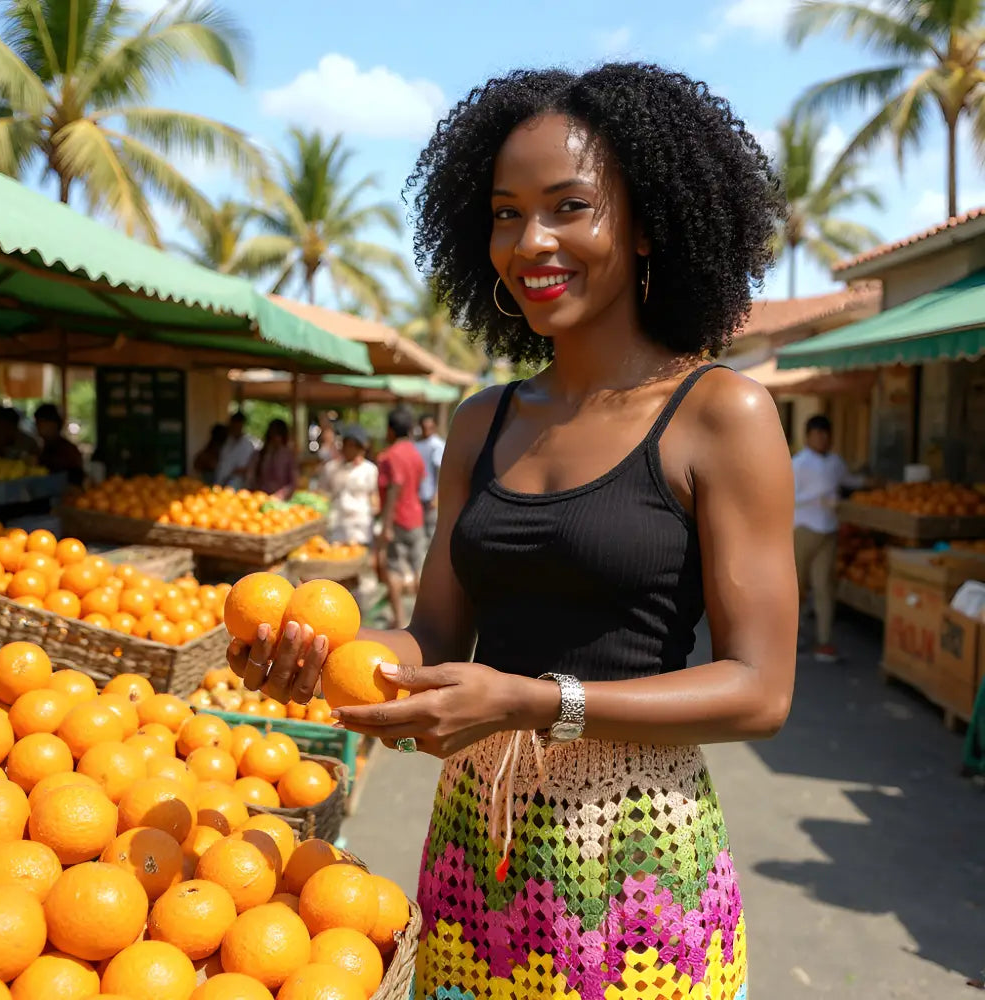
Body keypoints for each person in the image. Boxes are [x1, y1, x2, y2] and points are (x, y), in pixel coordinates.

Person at [228, 63, 796, 1000]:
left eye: (570, 206)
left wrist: (536, 701)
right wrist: (324, 653)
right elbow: (437, 637)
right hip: (474, 857)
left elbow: (759, 690)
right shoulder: (480, 422)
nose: (531, 240)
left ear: (649, 222)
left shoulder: (719, 413)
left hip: (638, 866)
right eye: (505, 212)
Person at [792, 414, 866, 663]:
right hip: (803, 529)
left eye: (826, 434)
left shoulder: (835, 462)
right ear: (808, 436)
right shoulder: (798, 464)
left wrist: (867, 483)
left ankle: (824, 641)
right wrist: (816, 499)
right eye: (818, 434)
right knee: (797, 588)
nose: (822, 439)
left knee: (824, 588)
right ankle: (792, 635)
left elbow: (847, 481)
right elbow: (787, 496)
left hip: (828, 531)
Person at [375, 408, 426, 628]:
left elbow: (394, 488)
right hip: (416, 517)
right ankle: (422, 619)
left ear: (390, 430)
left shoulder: (389, 455)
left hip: (397, 519)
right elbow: (420, 482)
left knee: (393, 569)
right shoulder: (415, 453)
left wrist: (385, 525)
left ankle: (400, 619)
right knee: (417, 568)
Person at [319, 425, 379, 545]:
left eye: (354, 446)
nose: (350, 449)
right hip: (337, 526)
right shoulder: (331, 468)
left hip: (361, 528)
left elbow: (374, 497)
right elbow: (322, 494)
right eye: (348, 445)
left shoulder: (370, 469)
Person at [34, 404, 84, 486]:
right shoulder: (42, 448)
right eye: (37, 422)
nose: (38, 426)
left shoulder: (68, 450)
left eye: (41, 422)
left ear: (54, 424)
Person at [249, 418, 298, 499]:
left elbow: (293, 482)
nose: (276, 438)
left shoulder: (288, 455)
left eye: (278, 435)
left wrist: (282, 494)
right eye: (273, 435)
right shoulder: (260, 454)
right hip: (260, 498)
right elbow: (251, 476)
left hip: (280, 500)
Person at [415, 413, 446, 539]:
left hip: (430, 495)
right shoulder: (417, 444)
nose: (427, 430)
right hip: (419, 494)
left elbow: (440, 471)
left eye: (430, 427)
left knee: (431, 532)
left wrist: (436, 496)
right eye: (424, 427)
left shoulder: (437, 445)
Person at [214, 412, 256, 490]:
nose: (232, 427)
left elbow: (245, 468)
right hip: (220, 483)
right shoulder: (228, 442)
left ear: (241, 425)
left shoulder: (247, 445)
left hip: (235, 486)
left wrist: (228, 478)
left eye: (235, 425)